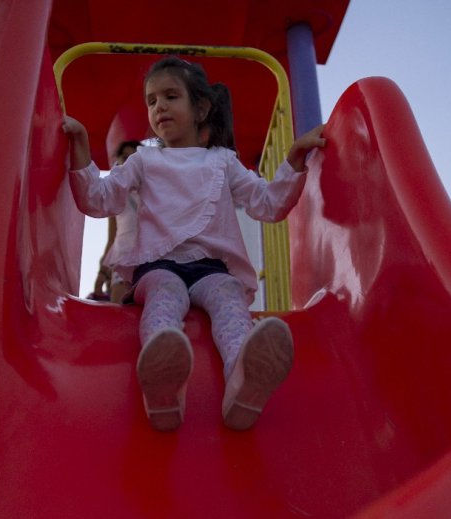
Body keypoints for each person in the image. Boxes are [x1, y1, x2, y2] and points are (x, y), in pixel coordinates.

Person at [62, 56, 325, 431]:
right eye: (152, 101)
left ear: (200, 108)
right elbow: (99, 200)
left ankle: (244, 381)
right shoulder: (143, 160)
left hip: (211, 269)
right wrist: (82, 151)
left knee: (229, 300)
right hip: (158, 266)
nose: (159, 107)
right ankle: (164, 384)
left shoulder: (223, 161)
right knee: (165, 295)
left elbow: (268, 204)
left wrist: (295, 161)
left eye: (171, 96)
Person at [89, 140, 143, 303]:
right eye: (124, 157)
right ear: (117, 162)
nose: (128, 162)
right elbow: (112, 240)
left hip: (151, 259)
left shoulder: (155, 193)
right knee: (119, 310)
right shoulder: (116, 199)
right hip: (122, 260)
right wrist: (103, 272)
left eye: (134, 157)